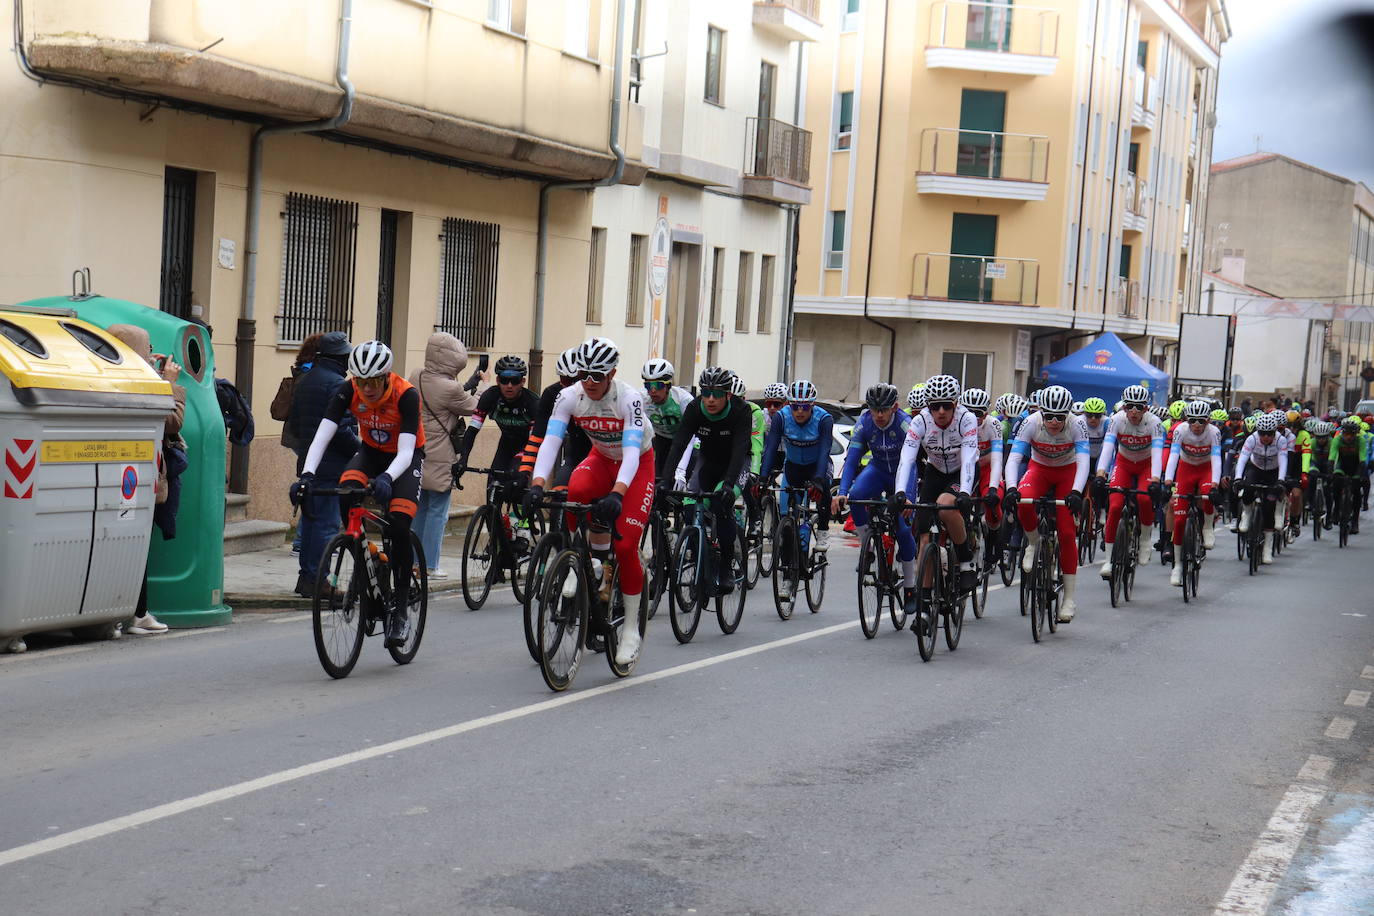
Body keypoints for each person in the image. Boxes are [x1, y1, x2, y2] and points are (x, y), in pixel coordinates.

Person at [524, 337, 654, 668]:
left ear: (612, 374)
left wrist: (618, 493)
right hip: (600, 458)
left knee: (625, 546)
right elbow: (551, 441)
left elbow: (631, 453)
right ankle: (579, 561)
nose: (590, 382)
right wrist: (537, 483)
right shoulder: (570, 396)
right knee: (575, 490)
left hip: (636, 464)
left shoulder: (629, 399)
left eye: (598, 375)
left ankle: (631, 630)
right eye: (584, 375)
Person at [293, 340, 423, 647]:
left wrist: (388, 478)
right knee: (345, 492)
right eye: (361, 381)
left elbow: (406, 451)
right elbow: (322, 435)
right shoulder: (347, 390)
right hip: (370, 453)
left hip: (405, 459)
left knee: (399, 523)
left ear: (386, 377)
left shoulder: (406, 394)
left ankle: (400, 610)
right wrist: (307, 476)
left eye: (373, 382)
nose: (367, 389)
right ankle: (369, 556)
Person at [107, 324, 186, 636]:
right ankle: (138, 613)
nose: (152, 353)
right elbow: (172, 421)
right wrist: (170, 384)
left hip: (119, 473)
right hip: (135, 475)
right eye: (147, 348)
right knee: (136, 544)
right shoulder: (135, 381)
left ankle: (121, 610)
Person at [662, 368, 754, 593]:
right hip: (708, 461)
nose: (711, 399)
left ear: (728, 395)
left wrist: (729, 485)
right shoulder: (695, 409)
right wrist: (665, 480)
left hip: (736, 463)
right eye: (706, 393)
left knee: (721, 503)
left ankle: (726, 566)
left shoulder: (741, 411)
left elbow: (740, 450)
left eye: (717, 394)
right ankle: (703, 561)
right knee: (689, 507)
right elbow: (679, 445)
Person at [1003, 384, 1089, 623]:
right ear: (1041, 412)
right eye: (1048, 415)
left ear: (1067, 415)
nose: (1053, 421)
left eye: (1060, 417)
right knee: (1023, 502)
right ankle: (1032, 542)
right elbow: (1015, 458)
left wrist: (1076, 492)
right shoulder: (1030, 422)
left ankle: (1069, 598)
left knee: (1066, 532)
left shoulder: (1077, 424)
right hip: (1039, 469)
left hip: (1067, 472)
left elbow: (1083, 462)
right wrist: (1011, 488)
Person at [285, 331, 360, 597]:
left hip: (310, 462)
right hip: (332, 465)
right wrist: (361, 451)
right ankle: (319, 581)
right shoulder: (338, 385)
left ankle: (306, 578)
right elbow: (341, 430)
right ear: (339, 358)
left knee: (311, 522)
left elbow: (294, 424)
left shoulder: (306, 380)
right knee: (326, 526)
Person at [896, 374, 980, 607]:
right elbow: (906, 459)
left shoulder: (966, 419)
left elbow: (969, 458)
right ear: (928, 406)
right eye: (935, 406)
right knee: (924, 536)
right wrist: (900, 492)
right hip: (935, 471)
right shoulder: (920, 421)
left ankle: (965, 561)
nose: (941, 411)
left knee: (945, 505)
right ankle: (924, 602)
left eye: (947, 405)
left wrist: (965, 492)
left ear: (956, 404)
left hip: (961, 471)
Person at [834, 383, 916, 607]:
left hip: (902, 473)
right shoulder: (864, 423)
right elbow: (852, 459)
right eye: (874, 410)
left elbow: (911, 462)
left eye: (884, 410)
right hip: (878, 470)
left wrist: (907, 495)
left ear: (895, 407)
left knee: (903, 529)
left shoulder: (905, 423)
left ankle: (910, 587)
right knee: (856, 496)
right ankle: (867, 548)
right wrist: (842, 492)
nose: (879, 415)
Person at [408, 332, 479, 580]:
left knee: (419, 509)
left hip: (417, 452)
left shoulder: (416, 375)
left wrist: (466, 384)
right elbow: (474, 406)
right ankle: (430, 565)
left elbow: (447, 396)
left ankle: (414, 562)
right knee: (438, 513)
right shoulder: (451, 388)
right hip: (440, 457)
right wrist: (484, 386)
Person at [1096, 385, 1163, 580]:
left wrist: (1156, 479)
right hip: (1123, 463)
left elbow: (1157, 452)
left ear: (1146, 408)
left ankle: (1145, 539)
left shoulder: (1154, 423)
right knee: (1115, 505)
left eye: (1139, 407)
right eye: (1129, 407)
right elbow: (1108, 447)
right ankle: (1108, 560)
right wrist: (1101, 473)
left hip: (1146, 465)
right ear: (1124, 407)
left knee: (1144, 499)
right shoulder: (1116, 420)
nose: (1134, 411)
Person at [760, 380, 835, 551]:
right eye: (795, 407)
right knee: (786, 516)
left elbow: (825, 451)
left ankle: (823, 530)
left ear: (812, 405)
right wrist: (763, 477)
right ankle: (788, 561)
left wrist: (818, 479)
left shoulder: (824, 419)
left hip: (817, 466)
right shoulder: (781, 417)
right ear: (789, 404)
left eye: (805, 407)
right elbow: (771, 448)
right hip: (793, 468)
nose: (800, 411)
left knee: (823, 489)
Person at [1163, 400, 1222, 586]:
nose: (1196, 425)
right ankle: (1177, 566)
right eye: (1192, 421)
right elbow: (1173, 455)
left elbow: (1216, 458)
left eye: (1201, 421)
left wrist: (1215, 484)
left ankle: (1208, 527)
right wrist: (1168, 481)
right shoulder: (1180, 430)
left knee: (1207, 493)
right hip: (1186, 469)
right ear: (1187, 420)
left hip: (1205, 468)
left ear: (1208, 421)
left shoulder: (1214, 432)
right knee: (1180, 520)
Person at [519, 347, 592, 492]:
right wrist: (525, 474)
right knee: (558, 492)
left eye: (577, 380)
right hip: (575, 451)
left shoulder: (596, 395)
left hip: (601, 454)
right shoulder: (553, 394)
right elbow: (539, 437)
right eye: (566, 380)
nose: (572, 387)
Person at [1234, 412, 1288, 564]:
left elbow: (1283, 461)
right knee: (1248, 490)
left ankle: (1267, 549)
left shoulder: (1281, 440)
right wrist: (1238, 477)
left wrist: (1281, 480)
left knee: (1269, 508)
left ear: (1274, 432)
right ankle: (1246, 513)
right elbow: (1243, 458)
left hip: (1273, 472)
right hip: (1256, 468)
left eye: (1269, 434)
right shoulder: (1252, 439)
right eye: (1262, 433)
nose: (1265, 437)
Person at [641, 359, 694, 483]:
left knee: (685, 474)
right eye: (648, 385)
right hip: (662, 438)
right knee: (659, 478)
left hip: (687, 440)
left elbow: (691, 437)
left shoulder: (684, 400)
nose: (653, 390)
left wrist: (681, 471)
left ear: (668, 386)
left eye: (658, 385)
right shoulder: (641, 398)